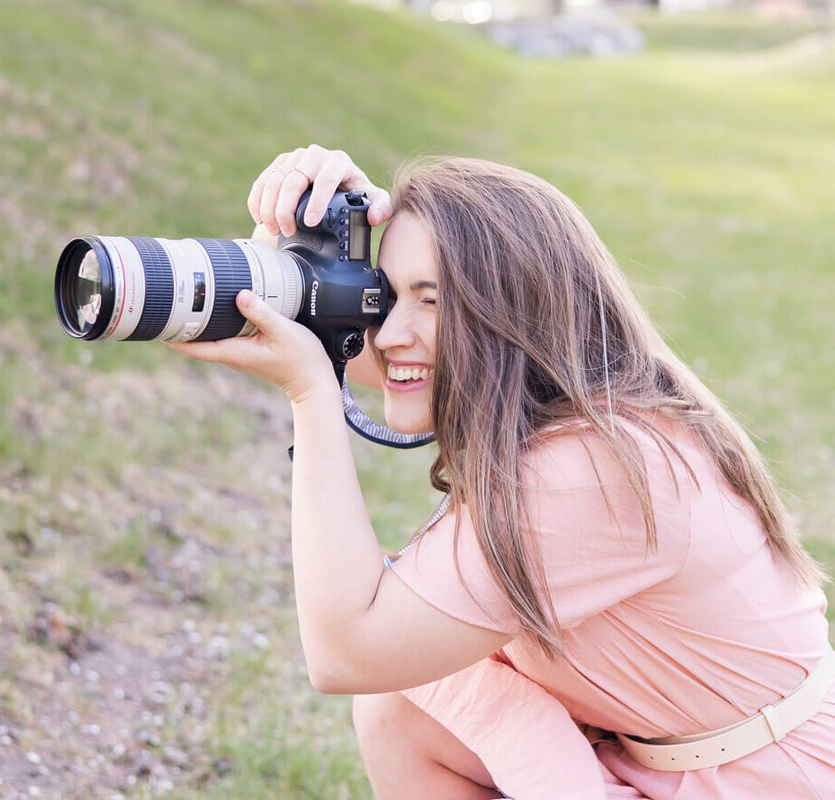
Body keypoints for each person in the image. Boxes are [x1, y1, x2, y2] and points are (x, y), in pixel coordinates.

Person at [168, 145, 834, 799]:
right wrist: (306, 252)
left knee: (394, 690)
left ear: (512, 315)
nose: (392, 331)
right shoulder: (580, 406)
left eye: (431, 301)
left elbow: (347, 651)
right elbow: (373, 351)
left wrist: (312, 398)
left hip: (762, 779)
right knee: (403, 713)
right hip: (657, 753)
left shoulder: (594, 469)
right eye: (387, 295)